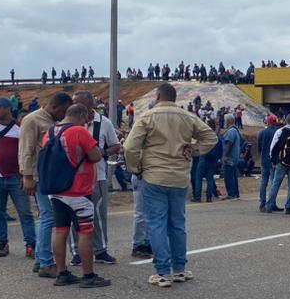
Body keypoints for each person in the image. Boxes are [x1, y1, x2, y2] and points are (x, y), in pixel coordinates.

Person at [123, 82, 217, 288]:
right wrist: (194, 149)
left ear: (157, 96)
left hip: (154, 177)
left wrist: (134, 167)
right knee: (177, 224)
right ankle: (179, 270)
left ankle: (163, 273)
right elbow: (211, 137)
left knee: (157, 224)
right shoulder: (188, 117)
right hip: (179, 178)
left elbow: (129, 147)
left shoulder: (147, 117)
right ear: (174, 98)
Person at [41, 104, 111, 288]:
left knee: (60, 231)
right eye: (86, 118)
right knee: (85, 233)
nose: (87, 122)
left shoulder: (50, 132)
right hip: (79, 190)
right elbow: (95, 156)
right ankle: (88, 275)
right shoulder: (79, 131)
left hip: (56, 190)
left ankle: (62, 272)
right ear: (80, 115)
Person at [19, 92, 73, 278]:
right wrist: (27, 176)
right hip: (39, 176)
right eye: (64, 111)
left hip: (51, 176)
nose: (64, 116)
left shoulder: (53, 121)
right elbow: (25, 149)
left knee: (47, 216)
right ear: (54, 106)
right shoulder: (32, 120)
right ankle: (46, 263)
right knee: (48, 217)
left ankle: (40, 259)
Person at [70, 91, 121, 266]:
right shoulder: (69, 122)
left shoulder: (104, 123)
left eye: (80, 104)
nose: (75, 107)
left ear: (90, 105)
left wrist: (103, 152)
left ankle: (100, 250)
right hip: (74, 177)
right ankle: (77, 251)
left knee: (98, 215)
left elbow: (116, 145)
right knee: (75, 215)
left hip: (97, 176)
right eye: (74, 103)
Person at [0, 97, 35, 258]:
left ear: (8, 109)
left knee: (25, 212)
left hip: (17, 177)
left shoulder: (20, 128)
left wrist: (27, 175)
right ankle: (2, 243)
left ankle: (30, 243)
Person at [266, 113, 290, 214]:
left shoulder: (280, 131)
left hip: (281, 162)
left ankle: (269, 206)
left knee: (275, 184)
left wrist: (273, 160)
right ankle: (289, 207)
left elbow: (273, 147)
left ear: (286, 121)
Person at [257, 115, 279, 213]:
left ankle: (262, 203)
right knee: (273, 183)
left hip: (264, 160)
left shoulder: (262, 132)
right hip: (274, 161)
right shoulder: (278, 132)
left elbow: (259, 148)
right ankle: (272, 203)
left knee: (263, 182)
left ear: (267, 122)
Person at [220, 115, 242, 201]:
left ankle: (231, 194)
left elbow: (229, 143)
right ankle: (235, 193)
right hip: (234, 158)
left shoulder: (231, 131)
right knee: (233, 176)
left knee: (228, 176)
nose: (224, 122)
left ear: (228, 121)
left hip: (229, 158)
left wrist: (225, 156)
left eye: (225, 121)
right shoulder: (235, 130)